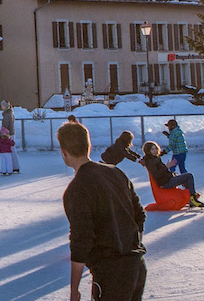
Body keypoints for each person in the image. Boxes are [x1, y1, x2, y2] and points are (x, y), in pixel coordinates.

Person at [58, 122, 146, 301]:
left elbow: (81, 240)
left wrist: (74, 291)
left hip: (111, 274)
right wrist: (130, 251)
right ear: (88, 146)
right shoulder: (115, 172)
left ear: (64, 152)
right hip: (137, 267)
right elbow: (139, 216)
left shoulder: (77, 189)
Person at [140, 141, 204, 208]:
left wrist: (171, 174)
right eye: (152, 149)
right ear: (147, 151)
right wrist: (166, 167)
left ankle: (190, 197)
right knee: (189, 176)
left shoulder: (155, 158)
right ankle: (193, 198)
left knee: (185, 178)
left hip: (167, 180)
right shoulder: (151, 161)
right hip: (165, 183)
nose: (155, 151)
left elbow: (162, 172)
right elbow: (156, 175)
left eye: (155, 149)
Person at [1, 100, 20, 173]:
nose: (1, 106)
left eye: (2, 105)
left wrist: (3, 134)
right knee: (11, 150)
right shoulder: (10, 113)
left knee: (11, 150)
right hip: (10, 133)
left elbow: (5, 125)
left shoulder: (7, 114)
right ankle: (14, 166)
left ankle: (14, 166)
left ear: (5, 106)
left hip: (9, 134)